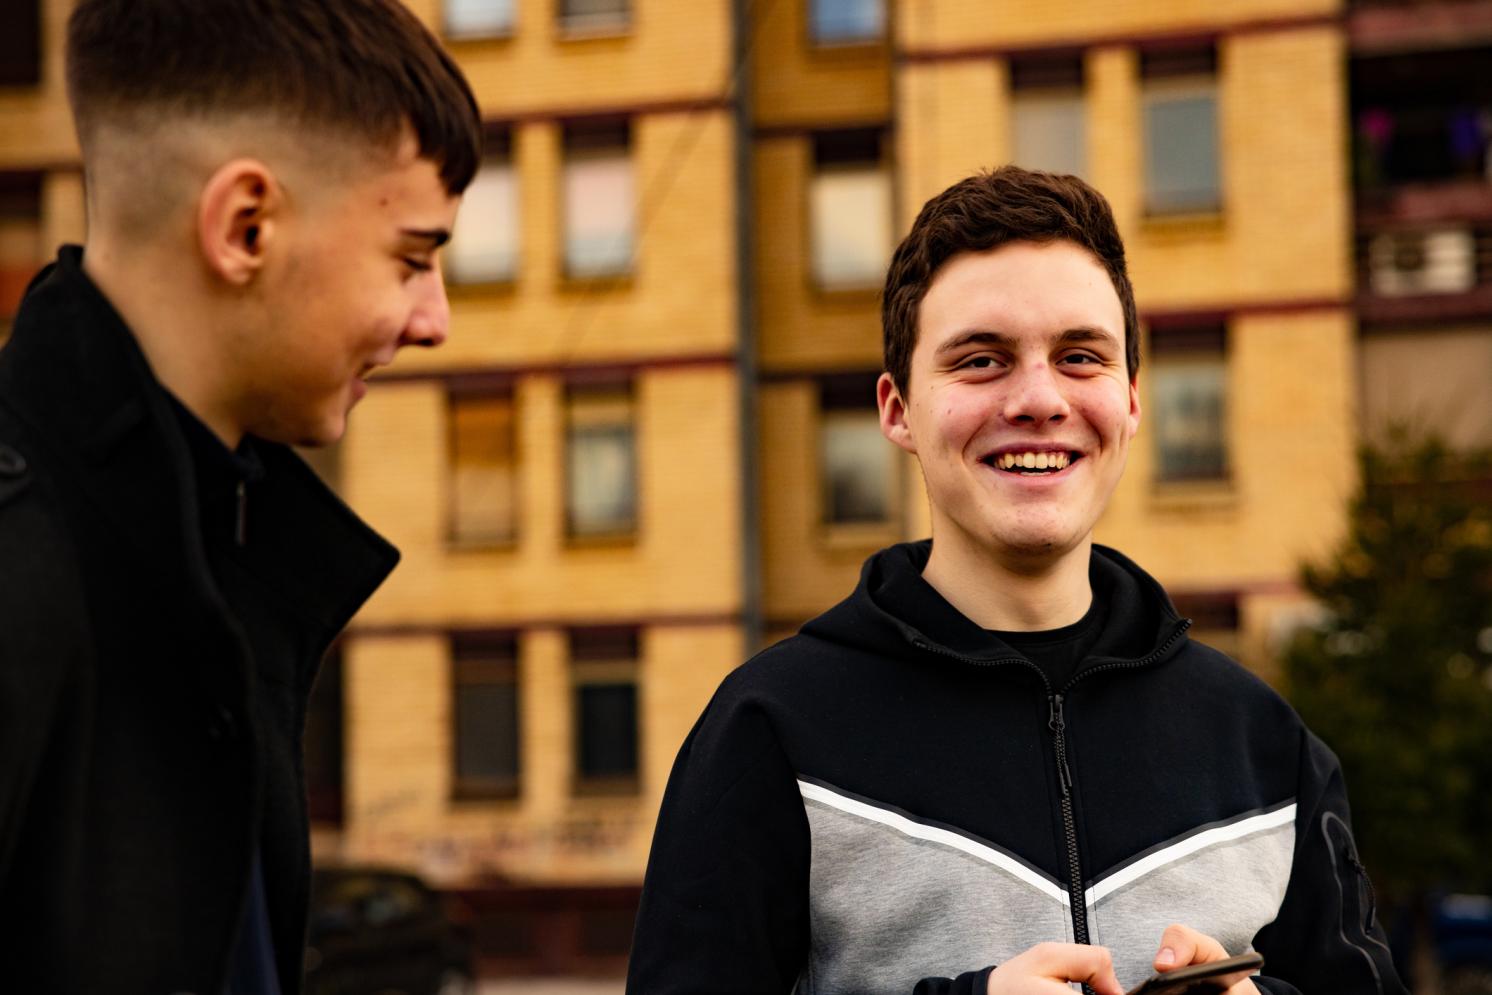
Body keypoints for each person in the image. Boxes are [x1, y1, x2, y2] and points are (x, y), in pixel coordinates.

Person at [626, 167, 1406, 995]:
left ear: (1132, 399)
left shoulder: (1266, 748)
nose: (1039, 399)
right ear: (897, 410)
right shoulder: (770, 734)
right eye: (982, 360)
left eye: (1080, 356)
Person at [0, 1, 481, 991]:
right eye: (412, 258)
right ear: (245, 225)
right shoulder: (25, 562)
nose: (433, 320)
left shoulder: (217, 553)